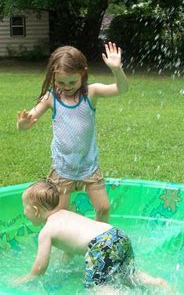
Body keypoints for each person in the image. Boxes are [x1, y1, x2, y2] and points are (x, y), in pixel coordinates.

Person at [17, 42, 129, 222]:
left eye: (72, 82)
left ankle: (99, 243)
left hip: (88, 166)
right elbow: (28, 121)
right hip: (63, 168)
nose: (67, 86)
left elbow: (121, 89)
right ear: (53, 77)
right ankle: (66, 250)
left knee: (104, 208)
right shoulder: (50, 98)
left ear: (83, 74)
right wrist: (23, 123)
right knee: (61, 215)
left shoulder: (91, 93)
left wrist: (116, 69)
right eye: (61, 82)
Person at [13, 179, 171, 292]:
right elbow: (70, 246)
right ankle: (156, 283)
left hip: (101, 245)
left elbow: (40, 267)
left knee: (97, 288)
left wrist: (27, 278)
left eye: (24, 208)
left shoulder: (46, 232)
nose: (24, 212)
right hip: (117, 234)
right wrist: (64, 264)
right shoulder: (66, 214)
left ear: (35, 210)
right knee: (129, 274)